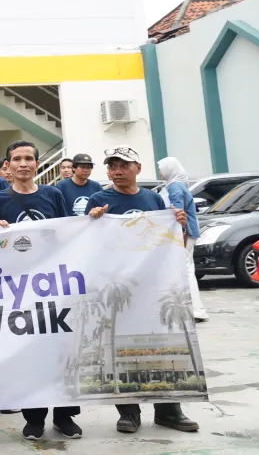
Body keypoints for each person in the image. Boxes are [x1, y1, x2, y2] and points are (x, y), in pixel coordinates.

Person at [86, 146, 199, 435]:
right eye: (112, 166)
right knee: (122, 348)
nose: (117, 171)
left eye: (123, 165)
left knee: (163, 345)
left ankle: (168, 410)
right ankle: (129, 412)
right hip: (118, 289)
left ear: (138, 167)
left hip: (153, 286)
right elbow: (88, 244)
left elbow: (168, 243)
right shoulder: (99, 200)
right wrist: (92, 221)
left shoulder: (153, 199)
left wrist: (179, 225)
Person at [0, 141, 81, 441]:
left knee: (60, 352)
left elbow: (68, 233)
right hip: (18, 290)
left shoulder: (53, 195)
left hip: (54, 285)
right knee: (29, 353)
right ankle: (34, 418)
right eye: (16, 159)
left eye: (28, 158)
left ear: (37, 164)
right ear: (7, 166)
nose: (23, 163)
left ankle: (64, 416)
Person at [158, 157, 207, 322]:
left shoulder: (174, 186)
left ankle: (196, 310)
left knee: (185, 270)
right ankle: (194, 308)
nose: (160, 172)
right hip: (187, 232)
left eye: (162, 168)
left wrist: (181, 233)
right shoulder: (178, 184)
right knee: (187, 269)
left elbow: (177, 212)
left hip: (184, 233)